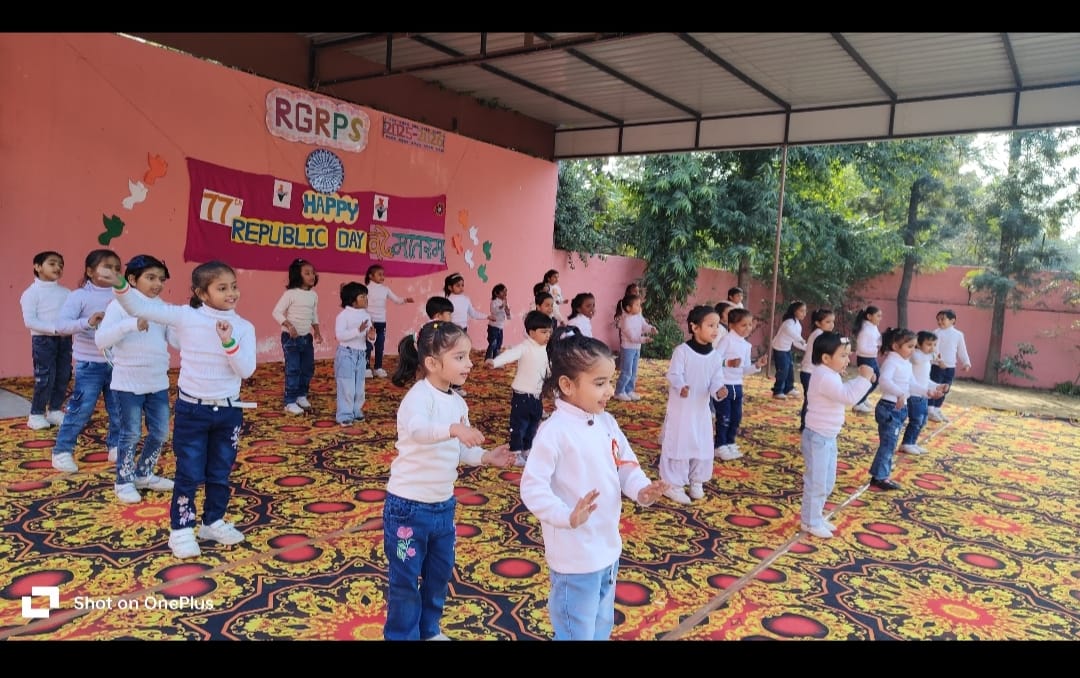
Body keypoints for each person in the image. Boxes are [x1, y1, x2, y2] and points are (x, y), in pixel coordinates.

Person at [519, 326, 669, 641]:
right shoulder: (554, 432)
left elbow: (625, 464)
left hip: (607, 549)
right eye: (600, 383)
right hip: (574, 557)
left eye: (611, 381)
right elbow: (532, 487)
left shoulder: (606, 422)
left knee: (601, 625)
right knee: (576, 632)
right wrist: (566, 516)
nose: (609, 391)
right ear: (567, 385)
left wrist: (641, 489)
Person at [101, 260, 257, 559]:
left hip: (229, 412)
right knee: (189, 472)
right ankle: (181, 530)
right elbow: (138, 307)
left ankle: (212, 521)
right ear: (201, 293)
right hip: (192, 411)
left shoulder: (244, 327)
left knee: (220, 471)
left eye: (234, 286)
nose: (231, 293)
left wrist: (229, 342)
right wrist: (120, 283)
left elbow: (246, 369)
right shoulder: (185, 316)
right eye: (222, 288)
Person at [382, 320, 513, 640]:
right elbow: (419, 431)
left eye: (468, 356)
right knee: (405, 580)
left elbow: (459, 449)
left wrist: (485, 456)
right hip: (407, 508)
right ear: (432, 363)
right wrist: (454, 429)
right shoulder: (418, 397)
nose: (469, 363)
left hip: (442, 506)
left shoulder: (457, 402)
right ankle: (401, 636)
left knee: (439, 575)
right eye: (459, 357)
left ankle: (429, 630)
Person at [95, 254, 179, 503]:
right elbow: (101, 340)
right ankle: (123, 481)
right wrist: (130, 325)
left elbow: (175, 342)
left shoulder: (162, 308)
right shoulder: (118, 306)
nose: (157, 284)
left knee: (161, 432)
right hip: (128, 383)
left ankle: (144, 474)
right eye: (151, 278)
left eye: (161, 279)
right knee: (130, 433)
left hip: (157, 381)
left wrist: (184, 326)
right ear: (132, 279)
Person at [50, 249, 124, 473]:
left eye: (117, 268)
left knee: (119, 408)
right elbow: (62, 326)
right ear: (90, 271)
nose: (113, 271)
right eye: (107, 267)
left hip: (118, 364)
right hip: (90, 365)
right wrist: (88, 322)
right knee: (81, 408)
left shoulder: (123, 296)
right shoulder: (79, 296)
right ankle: (62, 451)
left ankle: (116, 446)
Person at [800, 332, 876, 538]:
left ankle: (815, 516)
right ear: (826, 358)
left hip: (827, 437)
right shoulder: (823, 375)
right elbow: (848, 397)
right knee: (817, 482)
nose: (847, 360)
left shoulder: (829, 374)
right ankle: (810, 521)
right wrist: (864, 378)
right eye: (843, 355)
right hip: (818, 437)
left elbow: (843, 390)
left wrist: (863, 380)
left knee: (827, 481)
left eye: (848, 355)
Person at [658, 306, 728, 505]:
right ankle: (673, 485)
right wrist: (681, 386)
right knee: (679, 444)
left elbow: (716, 380)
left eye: (717, 325)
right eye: (710, 325)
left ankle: (696, 480)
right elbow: (674, 374)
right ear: (695, 327)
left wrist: (719, 390)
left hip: (700, 410)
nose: (716, 330)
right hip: (681, 410)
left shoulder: (715, 357)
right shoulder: (682, 352)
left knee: (701, 443)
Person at [869, 327, 946, 492]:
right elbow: (884, 381)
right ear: (895, 346)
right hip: (889, 407)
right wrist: (899, 393)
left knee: (890, 444)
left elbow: (911, 384)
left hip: (899, 408)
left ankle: (879, 475)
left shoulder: (905, 363)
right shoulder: (892, 362)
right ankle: (880, 477)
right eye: (909, 346)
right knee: (888, 444)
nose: (913, 350)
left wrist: (928, 392)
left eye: (914, 346)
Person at [485, 310, 553, 466]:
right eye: (544, 332)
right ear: (531, 333)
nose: (548, 335)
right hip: (522, 396)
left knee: (533, 424)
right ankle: (515, 452)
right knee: (519, 426)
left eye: (549, 332)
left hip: (537, 396)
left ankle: (527, 449)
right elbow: (510, 355)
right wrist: (494, 362)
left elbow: (548, 368)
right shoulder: (525, 347)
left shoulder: (545, 349)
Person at [20, 250, 71, 430]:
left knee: (64, 375)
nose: (57, 267)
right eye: (52, 263)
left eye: (61, 265)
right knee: (45, 377)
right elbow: (30, 321)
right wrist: (54, 329)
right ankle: (36, 414)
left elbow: (72, 315)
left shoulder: (66, 293)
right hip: (43, 341)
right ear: (37, 267)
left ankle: (55, 410)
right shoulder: (31, 293)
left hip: (64, 340)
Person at [712, 308, 768, 461]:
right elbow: (714, 360)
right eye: (743, 325)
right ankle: (720, 445)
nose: (748, 328)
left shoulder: (746, 345)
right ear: (731, 325)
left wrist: (757, 365)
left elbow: (744, 370)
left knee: (736, 417)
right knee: (724, 416)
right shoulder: (727, 340)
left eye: (750, 325)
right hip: (723, 385)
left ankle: (730, 442)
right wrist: (729, 363)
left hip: (737, 385)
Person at [272, 258, 322, 415]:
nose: (311, 276)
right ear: (297, 275)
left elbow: (314, 315)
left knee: (307, 368)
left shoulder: (313, 295)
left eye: (312, 272)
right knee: (293, 369)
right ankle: (290, 401)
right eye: (307, 273)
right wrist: (289, 326)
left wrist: (317, 331)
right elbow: (276, 312)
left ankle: (301, 395)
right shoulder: (290, 294)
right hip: (290, 338)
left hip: (306, 338)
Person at [334, 282, 377, 426]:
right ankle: (345, 415)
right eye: (362, 296)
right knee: (346, 385)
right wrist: (358, 331)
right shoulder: (343, 316)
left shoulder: (366, 315)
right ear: (352, 300)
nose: (366, 299)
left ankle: (356, 410)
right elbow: (340, 336)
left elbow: (369, 336)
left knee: (359, 386)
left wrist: (371, 336)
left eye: (366, 296)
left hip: (361, 355)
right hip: (346, 354)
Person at [390, 296, 454, 388]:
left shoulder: (435, 326)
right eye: (449, 314)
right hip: (427, 353)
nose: (451, 317)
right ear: (438, 315)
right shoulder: (435, 327)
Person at [364, 264, 414, 379]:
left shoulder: (385, 289)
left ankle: (378, 367)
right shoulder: (366, 289)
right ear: (370, 276)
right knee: (367, 345)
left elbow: (396, 300)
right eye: (379, 274)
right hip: (369, 322)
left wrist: (405, 300)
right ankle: (366, 368)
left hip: (381, 322)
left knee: (380, 345)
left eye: (383, 275)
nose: (382, 277)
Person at [900, 330, 940, 455]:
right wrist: (933, 357)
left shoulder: (926, 359)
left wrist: (937, 386)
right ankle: (906, 443)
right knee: (916, 420)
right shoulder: (916, 354)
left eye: (934, 345)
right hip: (914, 395)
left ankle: (912, 442)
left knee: (922, 421)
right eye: (929, 344)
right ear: (918, 344)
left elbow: (925, 379)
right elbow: (917, 360)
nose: (932, 348)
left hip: (923, 395)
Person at [928, 309, 971, 422]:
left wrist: (966, 362)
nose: (939, 322)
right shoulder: (936, 333)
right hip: (937, 367)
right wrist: (939, 361)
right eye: (938, 320)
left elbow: (962, 349)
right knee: (935, 387)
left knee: (945, 388)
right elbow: (934, 349)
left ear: (952, 320)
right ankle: (930, 410)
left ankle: (937, 409)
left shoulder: (958, 335)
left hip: (950, 367)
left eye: (942, 319)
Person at [798, 308, 836, 432]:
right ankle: (805, 425)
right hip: (809, 372)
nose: (831, 325)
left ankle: (807, 425)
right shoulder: (819, 335)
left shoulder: (819, 334)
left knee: (811, 399)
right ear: (818, 323)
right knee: (810, 400)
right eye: (828, 322)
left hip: (811, 372)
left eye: (832, 321)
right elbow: (824, 356)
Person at [613, 294, 655, 402]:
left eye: (639, 304)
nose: (639, 307)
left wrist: (651, 329)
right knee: (626, 371)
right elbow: (632, 337)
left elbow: (644, 325)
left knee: (633, 371)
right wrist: (644, 339)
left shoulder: (638, 316)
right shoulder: (626, 321)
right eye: (637, 305)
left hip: (636, 348)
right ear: (628, 308)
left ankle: (629, 390)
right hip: (628, 349)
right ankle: (619, 392)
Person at [770, 300, 808, 399]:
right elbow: (790, 332)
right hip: (779, 349)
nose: (804, 313)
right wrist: (801, 339)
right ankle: (778, 391)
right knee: (783, 370)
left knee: (790, 368)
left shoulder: (797, 324)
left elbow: (795, 342)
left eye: (805, 311)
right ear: (794, 311)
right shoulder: (788, 322)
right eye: (801, 311)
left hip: (786, 349)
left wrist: (807, 348)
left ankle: (789, 388)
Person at [852, 305, 883, 414]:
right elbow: (861, 348)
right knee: (872, 381)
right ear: (869, 316)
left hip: (871, 358)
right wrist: (875, 350)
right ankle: (858, 402)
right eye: (878, 316)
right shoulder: (865, 330)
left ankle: (863, 398)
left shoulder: (873, 327)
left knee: (874, 380)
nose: (880, 318)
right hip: (865, 359)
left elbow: (878, 340)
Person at [444, 272, 491, 337]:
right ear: (450, 287)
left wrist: (487, 316)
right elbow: (444, 317)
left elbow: (473, 313)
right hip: (452, 330)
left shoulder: (466, 299)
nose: (461, 288)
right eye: (458, 285)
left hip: (464, 329)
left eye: (462, 285)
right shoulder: (447, 301)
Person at [485, 283, 511, 361]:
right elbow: (494, 311)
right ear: (496, 293)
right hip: (493, 327)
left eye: (506, 291)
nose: (505, 293)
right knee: (493, 343)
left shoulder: (505, 303)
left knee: (499, 344)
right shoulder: (494, 302)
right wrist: (502, 306)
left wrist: (508, 312)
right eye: (503, 291)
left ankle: (496, 360)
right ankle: (488, 359)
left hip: (500, 327)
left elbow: (508, 317)